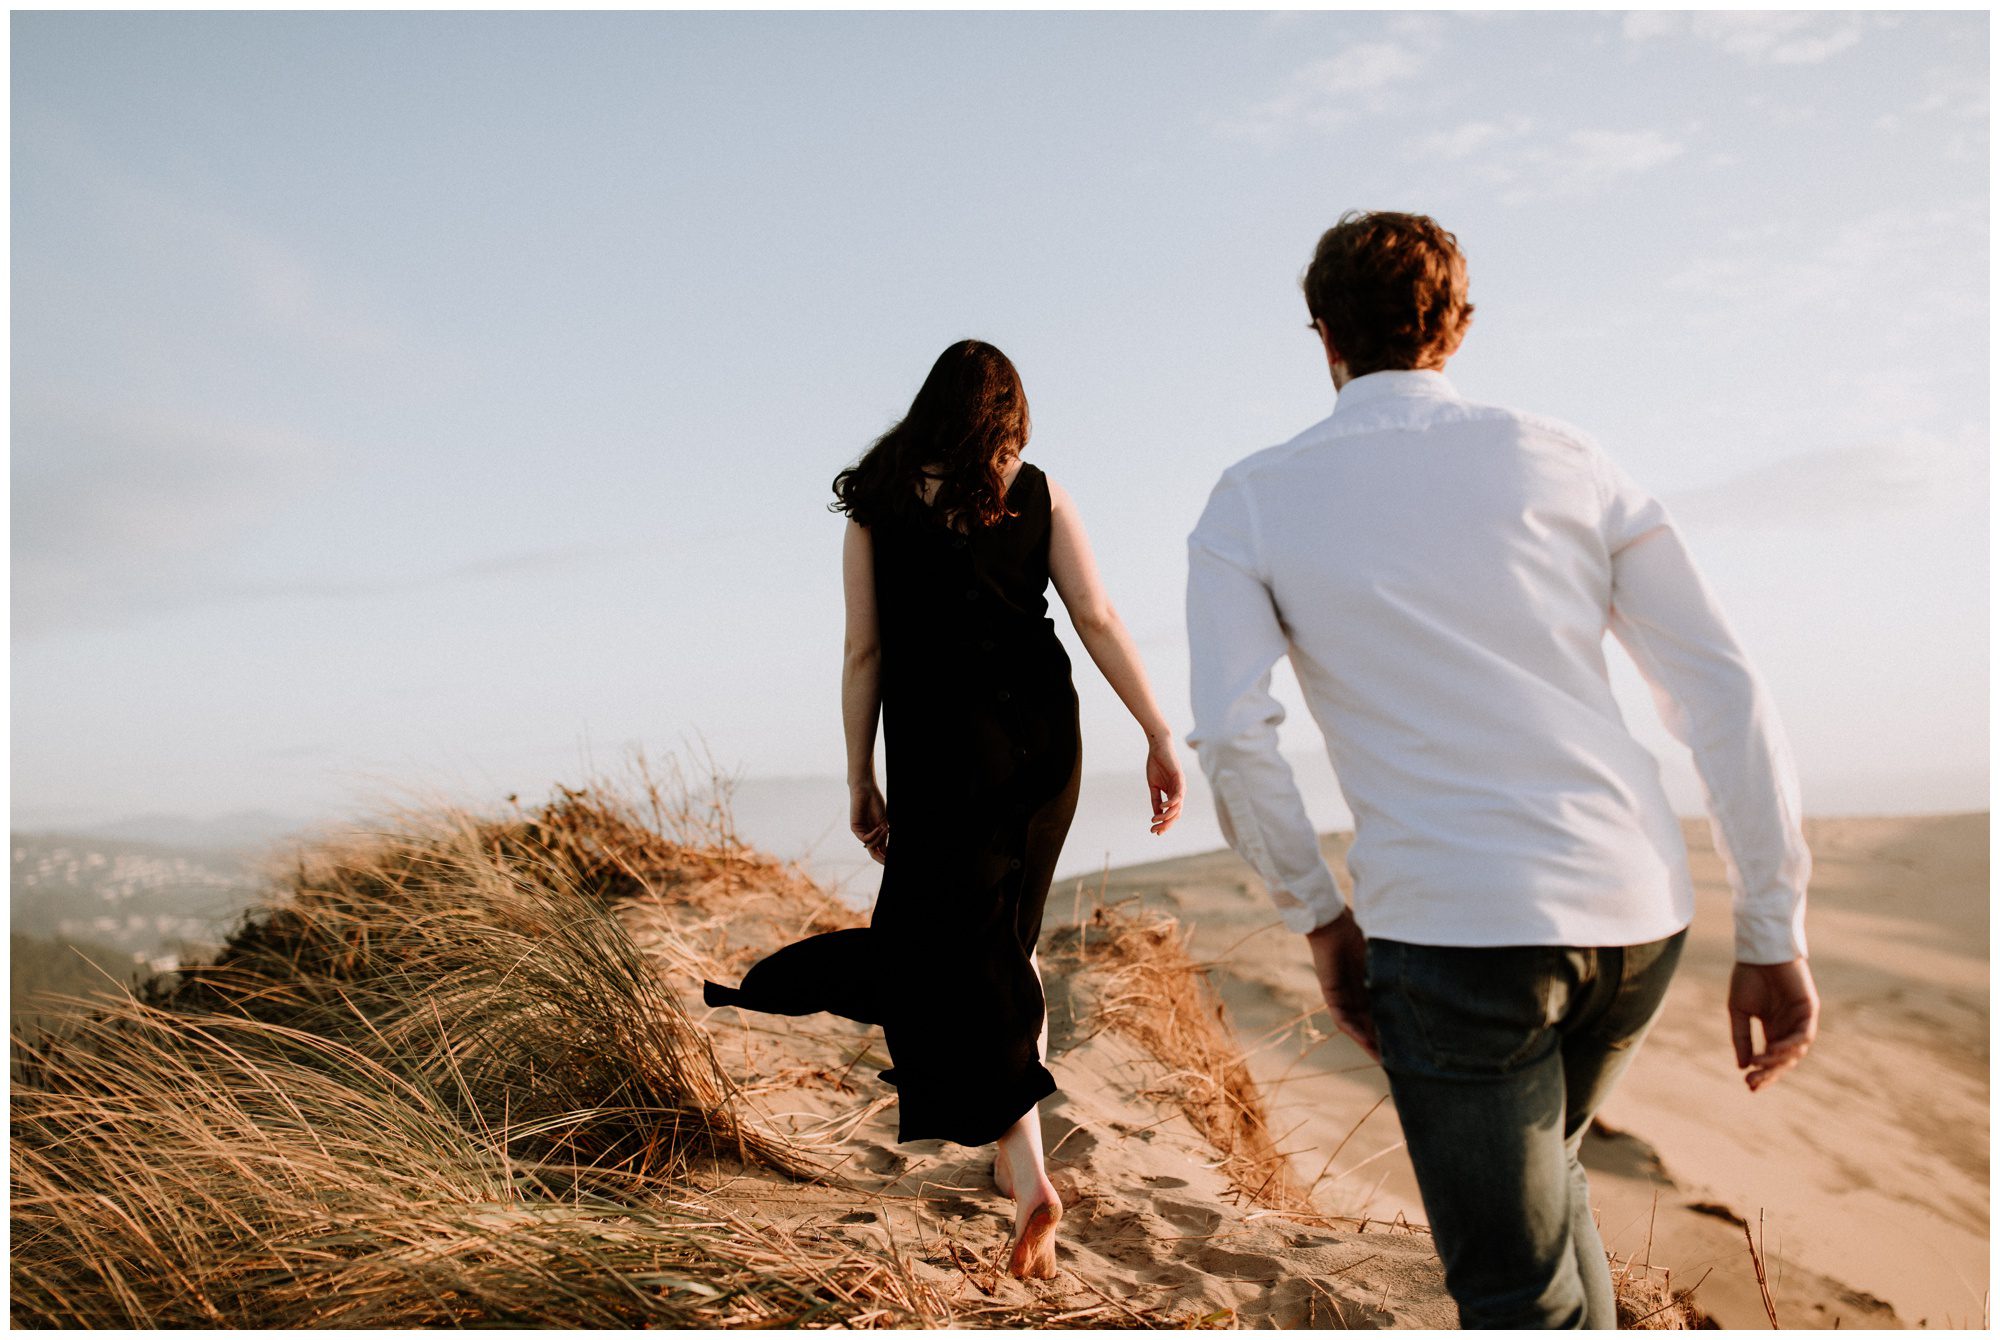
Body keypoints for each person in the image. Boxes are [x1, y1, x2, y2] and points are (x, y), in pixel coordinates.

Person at [1184, 211, 1820, 1329]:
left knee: (1512, 1294)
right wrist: (1770, 927)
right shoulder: (1566, 456)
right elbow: (1722, 690)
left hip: (1453, 938)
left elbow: (1234, 733)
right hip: (1634, 919)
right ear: (1456, 329)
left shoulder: (1251, 498)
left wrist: (1318, 918)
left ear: (1321, 335)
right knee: (1551, 1175)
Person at [705, 339, 1186, 1280]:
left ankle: (1029, 1174)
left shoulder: (876, 512)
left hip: (937, 752)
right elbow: (1098, 620)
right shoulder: (1037, 492)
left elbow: (863, 658)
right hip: (1042, 745)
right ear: (1007, 419)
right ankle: (1022, 1169)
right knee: (1009, 945)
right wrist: (1159, 732)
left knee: (955, 952)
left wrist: (858, 776)